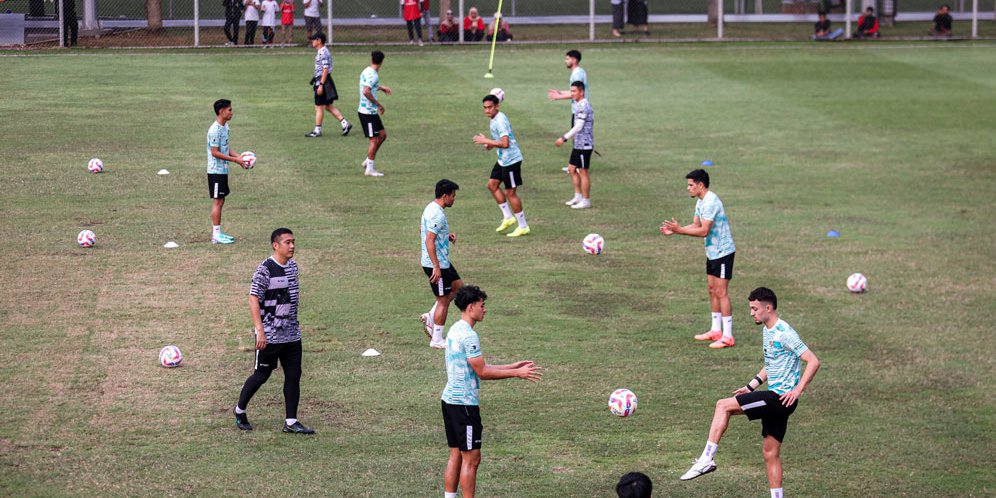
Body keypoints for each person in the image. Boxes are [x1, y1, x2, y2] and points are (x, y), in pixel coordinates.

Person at [680, 287, 821, 498]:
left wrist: (798, 389)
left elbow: (813, 360)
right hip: (779, 398)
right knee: (770, 453)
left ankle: (706, 459)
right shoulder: (768, 329)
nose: (751, 313)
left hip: (779, 399)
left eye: (755, 309)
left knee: (723, 405)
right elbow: (772, 363)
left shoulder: (784, 333)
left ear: (768, 307)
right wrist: (751, 386)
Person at [440, 285, 542, 498]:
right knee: (472, 458)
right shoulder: (469, 336)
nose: (484, 310)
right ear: (471, 307)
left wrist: (513, 366)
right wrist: (517, 374)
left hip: (449, 401)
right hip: (464, 405)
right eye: (482, 305)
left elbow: (477, 367)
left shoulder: (455, 329)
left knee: (456, 456)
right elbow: (483, 372)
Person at [233, 228, 316, 435]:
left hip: (292, 333)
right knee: (262, 375)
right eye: (287, 242)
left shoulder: (293, 267)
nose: (292, 246)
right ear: (275, 245)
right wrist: (260, 331)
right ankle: (239, 410)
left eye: (293, 242)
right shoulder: (265, 269)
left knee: (294, 374)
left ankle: (291, 421)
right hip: (270, 333)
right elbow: (253, 298)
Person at [660, 169, 736, 348]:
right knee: (712, 290)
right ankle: (716, 330)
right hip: (712, 252)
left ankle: (728, 336)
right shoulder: (701, 201)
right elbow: (695, 225)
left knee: (721, 292)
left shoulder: (710, 202)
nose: (688, 188)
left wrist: (679, 230)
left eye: (691, 185)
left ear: (701, 185)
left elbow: (703, 231)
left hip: (723, 253)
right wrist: (676, 230)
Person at [473, 94, 531, 238]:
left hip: (511, 160)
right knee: (492, 185)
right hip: (502, 160)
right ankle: (508, 217)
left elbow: (506, 143)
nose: (487, 110)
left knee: (510, 193)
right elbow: (500, 141)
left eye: (490, 107)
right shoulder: (493, 119)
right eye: (485, 108)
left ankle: (523, 226)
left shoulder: (500, 121)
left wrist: (487, 140)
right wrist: (490, 144)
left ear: (497, 106)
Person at [420, 179, 463, 349]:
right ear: (445, 196)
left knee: (459, 288)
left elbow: (426, 232)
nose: (454, 199)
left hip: (443, 262)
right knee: (443, 300)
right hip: (437, 265)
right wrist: (436, 266)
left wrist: (446, 237)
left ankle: (431, 316)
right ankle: (436, 338)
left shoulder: (431, 208)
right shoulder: (437, 214)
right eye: (453, 196)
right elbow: (429, 241)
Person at [206, 99, 251, 245]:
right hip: (215, 171)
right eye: (229, 110)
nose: (232, 112)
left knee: (221, 200)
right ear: (221, 111)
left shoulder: (225, 127)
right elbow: (215, 152)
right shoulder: (214, 130)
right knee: (218, 201)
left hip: (223, 170)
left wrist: (240, 157)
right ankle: (216, 235)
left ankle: (218, 233)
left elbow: (225, 148)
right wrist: (236, 161)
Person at [555, 81, 594, 209]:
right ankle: (578, 196)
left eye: (574, 91)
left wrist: (564, 138)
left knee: (583, 171)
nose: (572, 94)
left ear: (581, 92)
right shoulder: (578, 104)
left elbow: (579, 126)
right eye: (571, 91)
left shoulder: (584, 105)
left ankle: (586, 200)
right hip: (578, 144)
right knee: (572, 169)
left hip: (584, 145)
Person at [547, 50, 588, 172]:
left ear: (574, 60)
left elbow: (575, 93)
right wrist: (560, 92)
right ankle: (574, 165)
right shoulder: (579, 72)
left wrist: (558, 97)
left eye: (567, 59)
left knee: (577, 138)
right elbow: (573, 91)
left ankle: (577, 166)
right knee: (576, 138)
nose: (566, 61)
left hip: (579, 109)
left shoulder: (576, 74)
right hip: (577, 108)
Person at [306, 32, 352, 138]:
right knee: (327, 106)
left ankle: (317, 130)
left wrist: (321, 85)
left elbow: (325, 69)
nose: (312, 41)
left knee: (318, 107)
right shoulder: (323, 51)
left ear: (319, 41)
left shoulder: (323, 53)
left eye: (314, 39)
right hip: (324, 80)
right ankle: (345, 123)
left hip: (322, 81)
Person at [358, 50, 392, 177]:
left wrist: (381, 88)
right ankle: (370, 169)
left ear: (371, 59)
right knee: (373, 139)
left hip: (370, 112)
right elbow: (366, 91)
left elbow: (368, 85)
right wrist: (379, 104)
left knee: (382, 135)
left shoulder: (367, 70)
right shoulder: (373, 75)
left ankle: (368, 160)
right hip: (367, 112)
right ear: (382, 62)